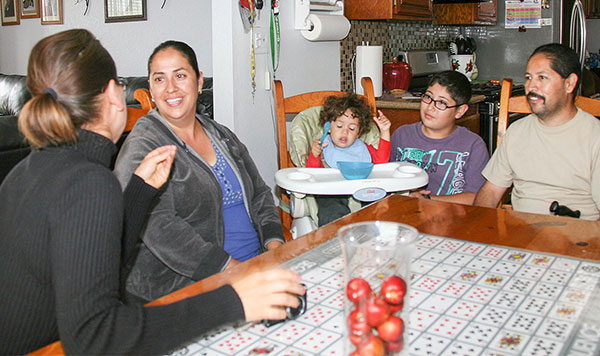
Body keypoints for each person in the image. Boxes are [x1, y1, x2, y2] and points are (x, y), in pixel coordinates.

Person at [0, 29, 304, 355]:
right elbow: (96, 336)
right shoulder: (88, 182)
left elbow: (97, 256)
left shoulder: (27, 171)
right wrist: (234, 301)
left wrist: (139, 194)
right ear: (114, 95)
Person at [113, 41, 286, 302]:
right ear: (150, 88)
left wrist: (275, 247)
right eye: (159, 79)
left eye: (180, 75)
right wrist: (232, 269)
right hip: (190, 285)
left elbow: (260, 194)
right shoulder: (144, 145)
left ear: (199, 81)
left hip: (256, 264)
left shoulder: (221, 134)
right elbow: (157, 225)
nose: (170, 88)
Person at [474, 43, 600, 220]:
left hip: (578, 238)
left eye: (542, 77)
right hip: (521, 234)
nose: (530, 87)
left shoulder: (594, 137)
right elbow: (491, 192)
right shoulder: (517, 131)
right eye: (528, 78)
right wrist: (480, 229)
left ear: (569, 83)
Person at [390, 70, 488, 205]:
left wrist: (427, 200)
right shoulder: (402, 135)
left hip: (452, 219)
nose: (430, 107)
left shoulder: (473, 145)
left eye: (442, 103)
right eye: (428, 97)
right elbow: (386, 179)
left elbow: (475, 198)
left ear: (460, 111)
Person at [305, 93, 391, 225]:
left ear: (359, 133)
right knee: (331, 209)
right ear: (328, 127)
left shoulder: (363, 149)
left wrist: (385, 132)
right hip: (333, 190)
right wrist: (315, 155)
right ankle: (337, 239)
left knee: (380, 202)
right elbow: (314, 174)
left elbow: (381, 163)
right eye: (339, 126)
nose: (345, 132)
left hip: (363, 187)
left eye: (352, 128)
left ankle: (373, 235)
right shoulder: (324, 147)